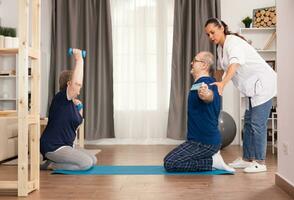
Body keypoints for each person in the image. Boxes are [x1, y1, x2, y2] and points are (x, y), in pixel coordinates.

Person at [204, 18, 277, 173]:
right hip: (252, 88)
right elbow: (221, 69)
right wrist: (213, 85)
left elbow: (234, 65)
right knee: (249, 123)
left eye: (212, 32)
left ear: (221, 28)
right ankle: (247, 159)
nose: (210, 36)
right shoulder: (220, 47)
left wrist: (223, 84)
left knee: (257, 124)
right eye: (208, 34)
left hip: (263, 84)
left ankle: (260, 162)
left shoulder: (233, 43)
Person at [164, 51, 235, 173]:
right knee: (169, 160)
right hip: (198, 141)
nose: (191, 63)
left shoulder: (207, 84)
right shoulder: (203, 83)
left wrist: (206, 94)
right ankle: (212, 159)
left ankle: (212, 162)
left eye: (195, 60)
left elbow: (209, 96)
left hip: (204, 143)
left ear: (204, 65)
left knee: (170, 163)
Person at [40, 48, 97, 170]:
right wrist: (79, 59)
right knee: (86, 164)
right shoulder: (60, 98)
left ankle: (54, 162)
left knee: (93, 160)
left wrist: (79, 107)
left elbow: (77, 124)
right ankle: (52, 164)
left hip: (67, 145)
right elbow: (76, 84)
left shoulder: (71, 103)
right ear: (69, 84)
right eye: (76, 84)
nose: (79, 88)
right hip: (54, 146)